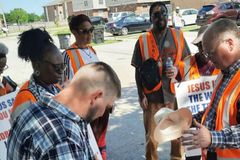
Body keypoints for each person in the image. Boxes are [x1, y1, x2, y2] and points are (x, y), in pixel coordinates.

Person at [7, 62, 121, 160]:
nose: (102, 114)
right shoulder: (64, 139)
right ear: (96, 97)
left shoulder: (33, 110)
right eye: (107, 107)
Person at [131, 2, 191, 160]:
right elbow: (138, 69)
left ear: (168, 15)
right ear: (151, 17)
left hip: (174, 95)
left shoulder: (178, 36)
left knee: (179, 135)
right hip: (152, 97)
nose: (160, 17)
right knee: (152, 138)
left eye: (163, 13)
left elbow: (188, 61)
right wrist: (140, 95)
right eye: (156, 14)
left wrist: (178, 70)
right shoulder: (142, 40)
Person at [182, 19, 240, 160]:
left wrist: (212, 138)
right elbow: (215, 111)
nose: (209, 59)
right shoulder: (224, 72)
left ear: (230, 44)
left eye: (211, 53)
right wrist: (191, 119)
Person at [62, 14, 109, 159]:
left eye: (91, 30)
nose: (89, 35)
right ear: (74, 32)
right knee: (89, 146)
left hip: (100, 108)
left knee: (100, 144)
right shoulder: (68, 55)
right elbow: (66, 88)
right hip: (84, 112)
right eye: (84, 31)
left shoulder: (91, 51)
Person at [11, 28, 65, 121]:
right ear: (37, 65)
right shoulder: (25, 98)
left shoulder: (55, 87)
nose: (61, 71)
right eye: (56, 67)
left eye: (63, 66)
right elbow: (21, 134)